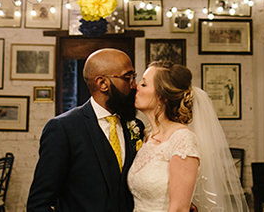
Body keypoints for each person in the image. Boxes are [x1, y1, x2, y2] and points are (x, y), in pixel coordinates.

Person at [27, 48, 144, 211]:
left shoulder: (135, 126)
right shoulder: (63, 129)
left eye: (134, 77)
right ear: (103, 83)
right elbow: (39, 203)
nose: (134, 85)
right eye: (127, 77)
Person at [128, 60, 247, 212]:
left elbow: (179, 208)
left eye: (144, 84)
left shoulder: (182, 139)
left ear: (162, 97)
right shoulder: (146, 136)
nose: (136, 87)